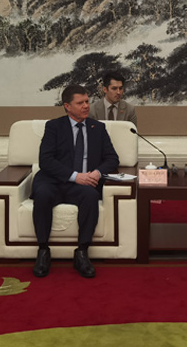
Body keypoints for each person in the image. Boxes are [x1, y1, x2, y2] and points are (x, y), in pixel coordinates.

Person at [32, 84, 120, 279]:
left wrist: (97, 173)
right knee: (42, 194)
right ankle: (43, 251)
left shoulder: (98, 128)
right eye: (80, 103)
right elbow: (45, 160)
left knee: (90, 196)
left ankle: (82, 252)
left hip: (84, 183)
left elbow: (112, 158)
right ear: (67, 106)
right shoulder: (54, 127)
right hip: (54, 181)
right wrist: (75, 176)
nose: (86, 106)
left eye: (87, 101)